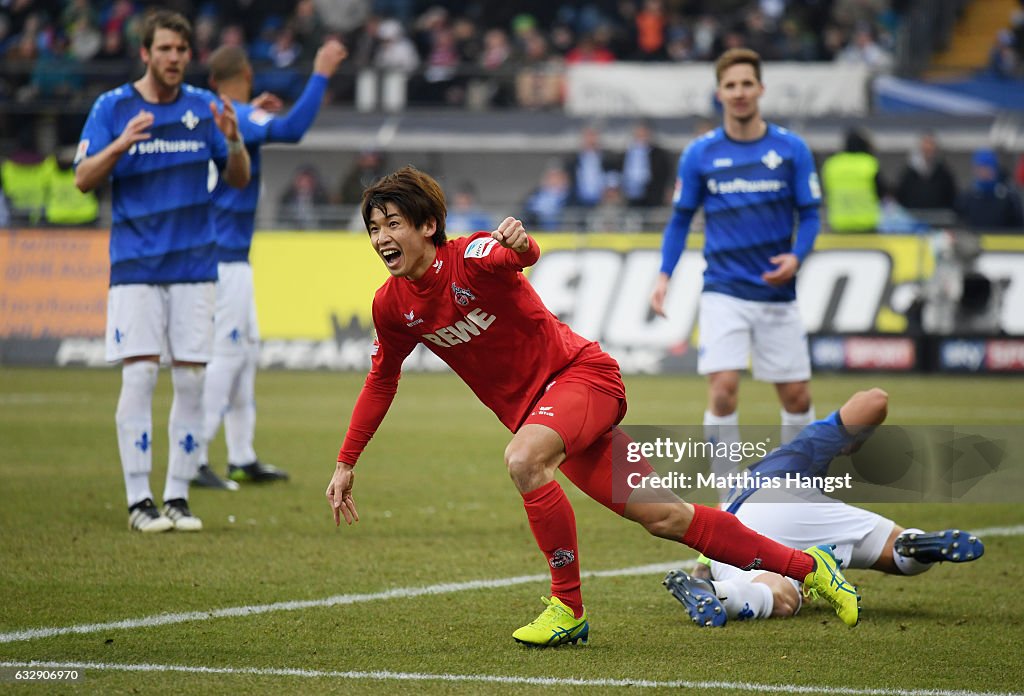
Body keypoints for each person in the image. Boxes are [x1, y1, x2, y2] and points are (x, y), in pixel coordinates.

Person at [325, 165, 861, 649]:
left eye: (392, 223)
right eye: (374, 227)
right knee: (667, 518)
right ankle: (810, 567)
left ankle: (568, 609)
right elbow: (381, 380)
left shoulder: (471, 257)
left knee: (523, 460)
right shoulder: (391, 305)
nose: (381, 237)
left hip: (583, 379)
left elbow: (518, 254)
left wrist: (521, 242)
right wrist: (347, 462)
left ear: (428, 226)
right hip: (546, 413)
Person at [74, 9, 251, 532]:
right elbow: (82, 177)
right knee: (142, 373)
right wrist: (121, 144)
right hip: (136, 267)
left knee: (193, 381)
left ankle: (177, 495)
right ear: (145, 53)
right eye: (165, 49)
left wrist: (236, 140)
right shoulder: (113, 107)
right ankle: (138, 499)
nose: (174, 58)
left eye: (181, 50)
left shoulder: (203, 108)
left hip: (195, 267)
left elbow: (237, 179)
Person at [663, 388, 986, 627]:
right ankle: (914, 547)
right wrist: (853, 439)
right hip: (799, 504)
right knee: (896, 551)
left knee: (777, 595)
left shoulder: (734, 490)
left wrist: (701, 574)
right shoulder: (802, 447)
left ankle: (717, 593)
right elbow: (876, 400)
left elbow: (709, 548)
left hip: (745, 522)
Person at [650, 48, 822, 488]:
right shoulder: (700, 154)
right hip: (723, 290)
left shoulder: (791, 149)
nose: (739, 92)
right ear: (719, 93)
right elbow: (681, 219)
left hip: (776, 293)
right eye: (731, 85)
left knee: (797, 396)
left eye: (747, 84)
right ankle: (729, 500)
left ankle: (798, 488)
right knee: (723, 387)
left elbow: (812, 213)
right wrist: (664, 275)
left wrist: (797, 257)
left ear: (761, 89)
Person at [191, 38, 349, 491]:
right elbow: (294, 128)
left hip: (226, 255)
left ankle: (241, 456)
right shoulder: (237, 116)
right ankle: (196, 456)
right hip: (226, 260)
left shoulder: (221, 114)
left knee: (245, 354)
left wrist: (253, 112)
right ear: (248, 75)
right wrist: (320, 71)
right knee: (227, 355)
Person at [821, 127, 885, 233]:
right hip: (866, 225)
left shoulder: (832, 164)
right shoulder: (869, 163)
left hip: (839, 224)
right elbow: (881, 192)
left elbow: (826, 190)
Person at [955, 149, 1024, 232]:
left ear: (994, 169)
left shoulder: (1009, 198)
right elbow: (958, 221)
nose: (983, 172)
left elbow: (1019, 226)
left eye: (987, 168)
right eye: (979, 168)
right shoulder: (967, 198)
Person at [894, 131, 958, 217]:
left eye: (931, 144)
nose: (928, 148)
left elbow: (952, 195)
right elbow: (901, 195)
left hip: (939, 218)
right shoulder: (909, 172)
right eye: (925, 144)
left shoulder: (943, 172)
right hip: (913, 219)